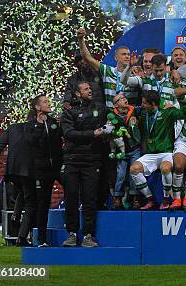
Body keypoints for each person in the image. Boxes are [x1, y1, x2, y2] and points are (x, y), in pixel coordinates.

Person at [60, 81, 108, 247]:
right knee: (71, 197)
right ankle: (72, 234)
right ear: (78, 94)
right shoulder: (69, 111)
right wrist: (93, 133)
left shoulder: (100, 108)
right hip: (72, 161)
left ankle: (88, 235)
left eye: (90, 88)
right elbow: (69, 133)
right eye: (86, 89)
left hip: (92, 160)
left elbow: (111, 121)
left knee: (89, 199)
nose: (90, 90)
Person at [130, 91, 186, 210]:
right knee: (134, 169)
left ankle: (166, 199)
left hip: (166, 152)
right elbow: (134, 112)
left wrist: (176, 105)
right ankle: (149, 199)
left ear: (153, 104)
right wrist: (133, 118)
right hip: (150, 154)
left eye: (145, 103)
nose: (142, 105)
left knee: (166, 168)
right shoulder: (143, 114)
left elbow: (185, 114)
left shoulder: (168, 112)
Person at [0, 117, 42, 246]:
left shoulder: (12, 128)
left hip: (12, 171)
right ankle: (22, 237)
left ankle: (16, 215)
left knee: (22, 192)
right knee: (30, 203)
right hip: (28, 170)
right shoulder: (36, 129)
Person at [28, 95, 63, 247]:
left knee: (72, 187)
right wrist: (40, 125)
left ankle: (73, 232)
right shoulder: (30, 125)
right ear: (37, 107)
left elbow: (58, 140)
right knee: (43, 203)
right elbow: (33, 143)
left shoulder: (53, 122)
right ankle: (41, 239)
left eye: (49, 101)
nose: (48, 103)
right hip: (41, 170)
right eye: (45, 102)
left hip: (57, 166)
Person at [76, 27, 136, 108]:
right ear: (116, 58)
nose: (127, 57)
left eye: (128, 54)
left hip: (130, 116)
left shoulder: (134, 74)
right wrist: (81, 39)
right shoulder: (108, 71)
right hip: (112, 116)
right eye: (123, 54)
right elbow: (87, 58)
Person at [110, 93, 142, 210]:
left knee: (135, 174)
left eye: (125, 98)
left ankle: (135, 198)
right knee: (121, 175)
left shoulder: (134, 110)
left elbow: (145, 108)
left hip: (134, 148)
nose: (124, 100)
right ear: (116, 104)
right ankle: (117, 198)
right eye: (120, 99)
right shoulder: (112, 115)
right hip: (121, 150)